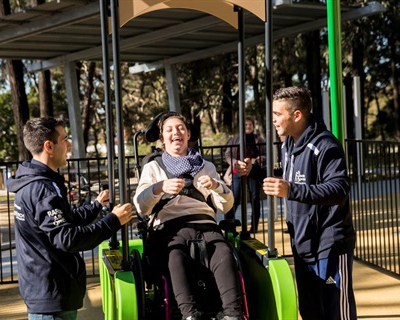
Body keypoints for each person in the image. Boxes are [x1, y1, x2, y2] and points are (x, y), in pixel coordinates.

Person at [6, 117, 132, 320]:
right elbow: (68, 239)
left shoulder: (41, 182)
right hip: (51, 296)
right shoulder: (42, 189)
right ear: (49, 146)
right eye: (64, 139)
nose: (69, 145)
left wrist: (96, 207)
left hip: (47, 291)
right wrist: (113, 221)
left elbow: (66, 219)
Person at [133, 112, 243, 320]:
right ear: (162, 138)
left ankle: (233, 314)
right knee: (175, 256)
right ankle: (189, 314)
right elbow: (141, 206)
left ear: (189, 133)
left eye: (181, 128)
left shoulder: (206, 167)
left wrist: (217, 186)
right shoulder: (153, 167)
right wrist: (159, 187)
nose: (176, 133)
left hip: (206, 225)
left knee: (224, 254)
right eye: (170, 130)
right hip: (170, 228)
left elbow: (226, 204)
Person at [262, 86, 357, 320]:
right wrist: (253, 172)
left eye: (277, 114)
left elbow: (339, 188)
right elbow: (288, 178)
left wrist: (291, 190)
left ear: (297, 115)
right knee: (311, 310)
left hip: (330, 244)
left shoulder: (325, 145)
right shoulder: (289, 144)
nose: (273, 120)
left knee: (336, 312)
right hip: (303, 243)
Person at [224, 116, 266, 232]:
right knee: (235, 197)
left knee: (254, 198)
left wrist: (258, 159)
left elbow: (266, 155)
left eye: (250, 125)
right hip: (237, 170)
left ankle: (254, 227)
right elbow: (228, 155)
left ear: (253, 126)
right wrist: (235, 162)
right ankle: (229, 225)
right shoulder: (234, 140)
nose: (248, 126)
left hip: (254, 171)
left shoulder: (259, 140)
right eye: (246, 124)